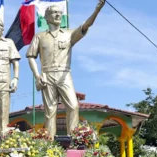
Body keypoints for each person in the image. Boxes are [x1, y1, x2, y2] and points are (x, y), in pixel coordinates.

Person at [26, 0, 105, 139]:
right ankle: (49, 143)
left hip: (64, 74)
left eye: (59, 13)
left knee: (73, 106)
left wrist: (97, 11)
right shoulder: (39, 36)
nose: (57, 15)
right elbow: (31, 56)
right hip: (47, 74)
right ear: (47, 17)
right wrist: (37, 76)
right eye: (54, 13)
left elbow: (86, 25)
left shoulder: (69, 34)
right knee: (50, 110)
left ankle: (74, 139)